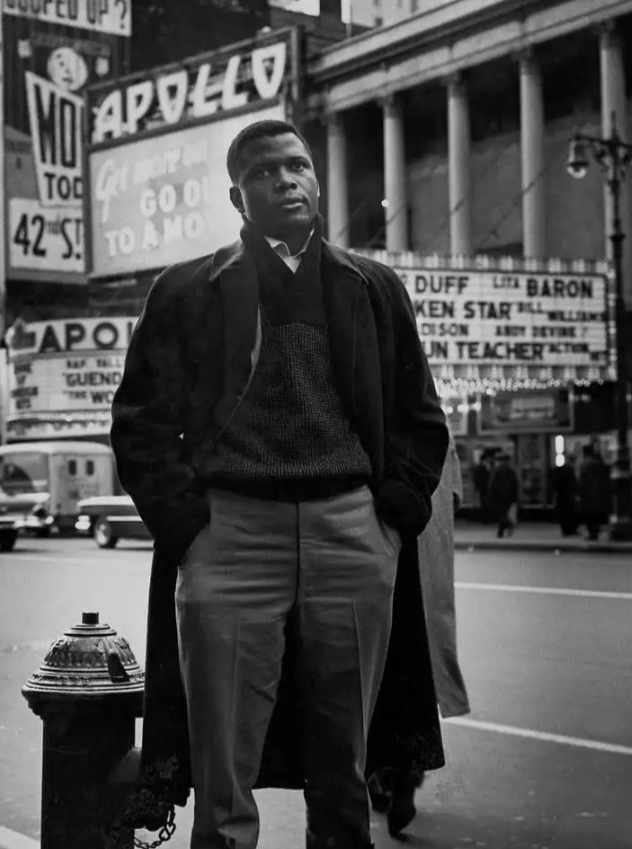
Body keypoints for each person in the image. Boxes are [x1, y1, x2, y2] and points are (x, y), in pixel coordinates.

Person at [110, 118, 449, 849]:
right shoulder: (188, 289)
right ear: (238, 196)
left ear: (316, 181)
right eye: (265, 172)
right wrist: (187, 525)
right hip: (230, 534)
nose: (286, 179)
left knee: (344, 760)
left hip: (350, 532)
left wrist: (391, 515)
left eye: (297, 166)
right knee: (222, 765)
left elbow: (420, 418)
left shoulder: (371, 286)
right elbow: (139, 420)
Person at [367, 433, 470, 838]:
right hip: (425, 551)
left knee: (371, 668)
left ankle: (379, 774)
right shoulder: (433, 426)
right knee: (414, 668)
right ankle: (404, 775)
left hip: (382, 545)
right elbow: (456, 498)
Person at [578, 444, 611, 541]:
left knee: (589, 515)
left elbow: (585, 481)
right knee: (593, 515)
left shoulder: (586, 464)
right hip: (594, 494)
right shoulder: (595, 463)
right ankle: (594, 532)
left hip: (589, 494)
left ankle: (593, 533)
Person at [487, 452, 519, 537]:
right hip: (507, 497)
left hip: (499, 497)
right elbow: (515, 485)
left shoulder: (498, 471)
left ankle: (504, 528)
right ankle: (502, 531)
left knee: (501, 514)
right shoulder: (511, 471)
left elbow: (494, 485)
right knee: (503, 514)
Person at [551, 454, 579, 536]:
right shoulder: (569, 470)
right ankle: (570, 530)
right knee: (570, 513)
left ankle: (567, 530)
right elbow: (573, 483)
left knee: (564, 513)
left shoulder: (561, 469)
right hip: (568, 495)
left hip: (562, 495)